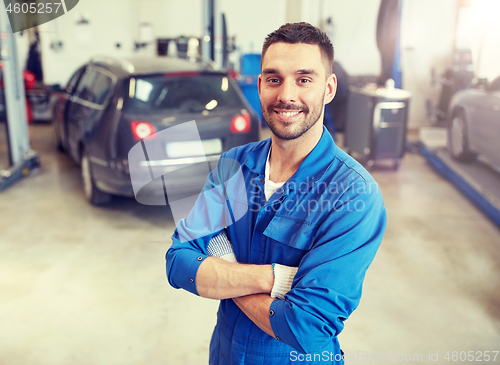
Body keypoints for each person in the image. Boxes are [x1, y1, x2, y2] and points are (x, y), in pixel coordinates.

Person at [166, 22, 386, 364]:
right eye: (274, 79)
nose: (286, 95)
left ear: (328, 89)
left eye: (304, 79)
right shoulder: (234, 164)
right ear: (259, 85)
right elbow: (178, 263)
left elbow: (305, 326)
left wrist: (224, 264)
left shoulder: (353, 194)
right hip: (224, 354)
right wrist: (277, 278)